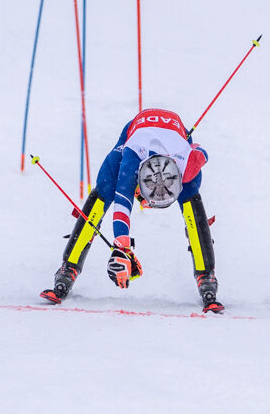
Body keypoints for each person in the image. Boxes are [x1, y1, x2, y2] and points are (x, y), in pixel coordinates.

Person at [40, 107, 223, 313]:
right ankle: (68, 268)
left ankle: (206, 274)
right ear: (139, 183)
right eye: (142, 199)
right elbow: (122, 202)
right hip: (137, 135)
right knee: (105, 189)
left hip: (174, 137)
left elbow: (201, 152)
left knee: (192, 201)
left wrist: (196, 151)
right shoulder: (129, 162)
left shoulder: (188, 170)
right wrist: (122, 247)